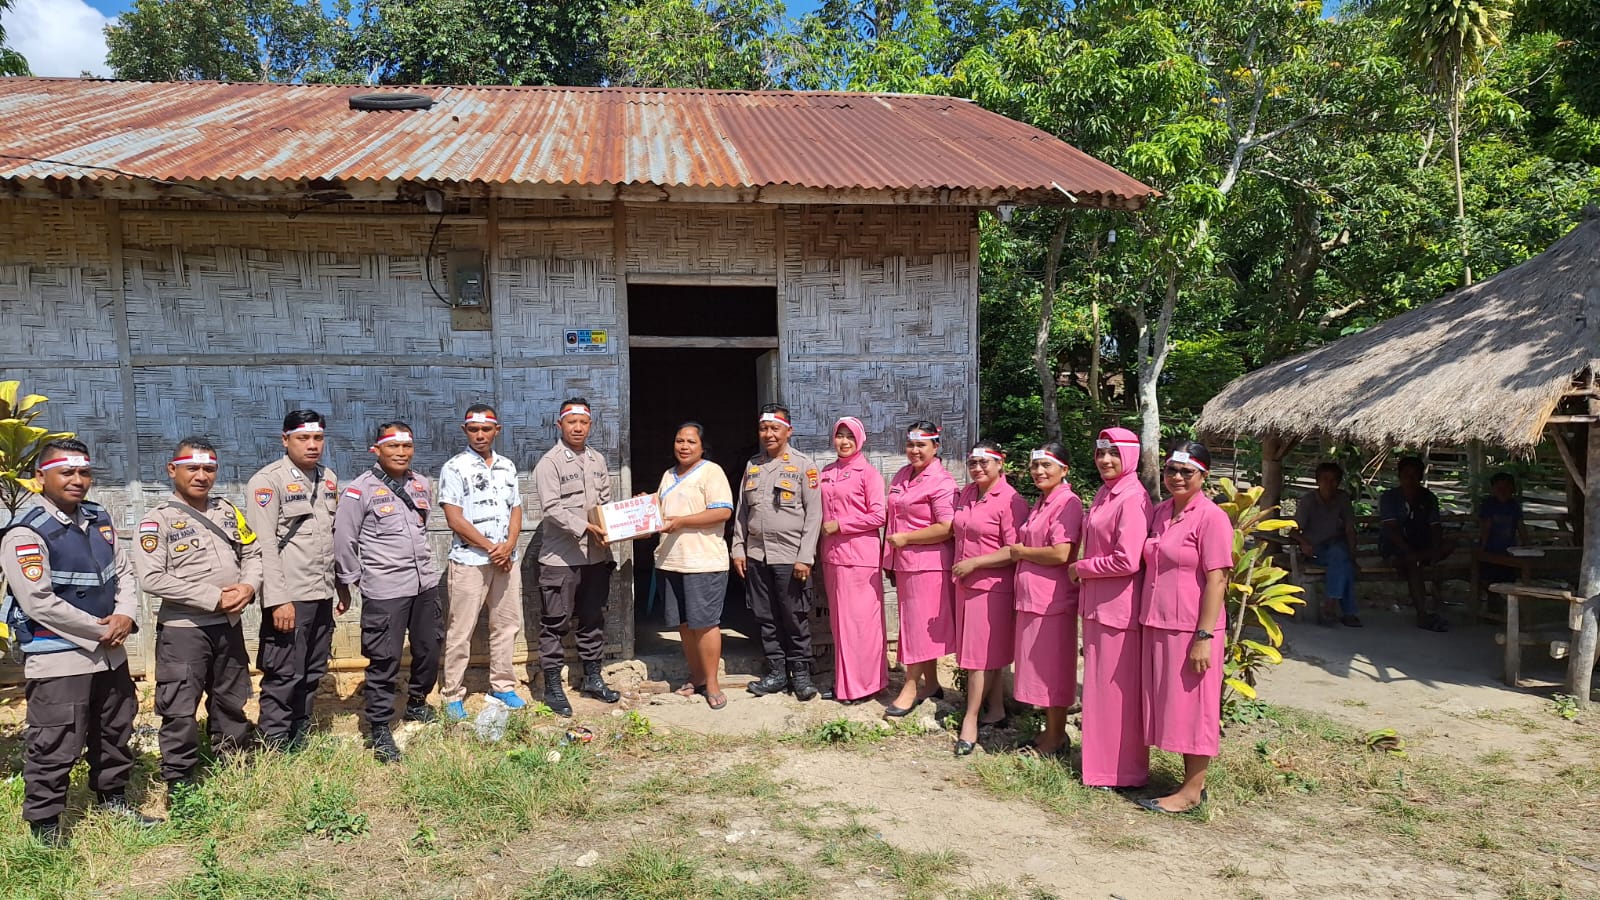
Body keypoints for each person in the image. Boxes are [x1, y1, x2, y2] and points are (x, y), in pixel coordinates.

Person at [0, 439, 158, 842]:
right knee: (55, 741)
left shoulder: (98, 518)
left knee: (114, 729)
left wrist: (125, 615)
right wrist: (101, 629)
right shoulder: (25, 533)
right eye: (65, 472)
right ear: (40, 478)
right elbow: (39, 602)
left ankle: (113, 800)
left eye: (83, 472)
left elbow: (122, 572)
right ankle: (46, 825)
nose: (77, 480)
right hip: (60, 657)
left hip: (110, 655)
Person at [134, 437, 261, 793]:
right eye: (193, 467)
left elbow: (252, 552)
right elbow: (151, 577)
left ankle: (233, 763)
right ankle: (181, 781)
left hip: (229, 626)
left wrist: (249, 587)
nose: (202, 475)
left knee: (231, 699)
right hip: (184, 631)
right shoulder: (156, 521)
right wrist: (214, 598)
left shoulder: (227, 511)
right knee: (179, 708)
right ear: (173, 470)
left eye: (209, 468)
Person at [334, 422, 443, 762]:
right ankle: (379, 726)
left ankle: (416, 703)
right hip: (385, 589)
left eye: (406, 447)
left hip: (424, 583)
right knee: (385, 659)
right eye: (393, 447)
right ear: (376, 450)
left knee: (429, 648)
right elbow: (344, 538)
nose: (400, 453)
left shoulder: (420, 484)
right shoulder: (359, 490)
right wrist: (350, 581)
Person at [1137, 442, 1234, 814]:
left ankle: (1192, 791)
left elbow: (1217, 580)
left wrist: (1204, 637)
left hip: (1192, 629)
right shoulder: (1161, 512)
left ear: (1203, 476)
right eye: (1171, 470)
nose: (1177, 477)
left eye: (1186, 472)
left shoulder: (1212, 518)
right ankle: (1184, 782)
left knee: (1195, 708)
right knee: (1173, 705)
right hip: (1158, 623)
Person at [246, 410, 343, 751]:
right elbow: (264, 547)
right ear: (285, 439)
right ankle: (274, 741)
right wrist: (277, 599)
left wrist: (340, 585)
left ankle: (298, 736)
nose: (312, 445)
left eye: (318, 438)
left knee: (313, 668)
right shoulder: (266, 482)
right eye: (303, 438)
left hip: (321, 591)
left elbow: (332, 536)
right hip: (289, 594)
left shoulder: (328, 478)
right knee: (284, 671)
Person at [1071, 427, 1153, 790]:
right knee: (1099, 690)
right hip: (1098, 606)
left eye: (1114, 454)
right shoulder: (1107, 493)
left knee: (1115, 693)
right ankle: (1100, 766)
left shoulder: (1132, 498)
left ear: (1131, 458)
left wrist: (1082, 568)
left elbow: (1128, 560)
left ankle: (1122, 772)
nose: (1105, 460)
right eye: (1101, 453)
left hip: (1118, 610)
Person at [532, 397, 620, 715]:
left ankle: (593, 679)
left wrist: (627, 519)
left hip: (595, 558)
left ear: (590, 425)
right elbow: (552, 508)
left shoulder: (597, 460)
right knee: (555, 623)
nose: (578, 427)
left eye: (583, 422)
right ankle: (553, 687)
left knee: (592, 619)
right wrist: (586, 527)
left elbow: (606, 504)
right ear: (560, 425)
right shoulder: (550, 462)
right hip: (561, 560)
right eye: (572, 422)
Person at [439, 403, 525, 719]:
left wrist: (510, 544)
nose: (479, 435)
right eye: (473, 429)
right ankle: (452, 695)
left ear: (496, 430)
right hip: (469, 560)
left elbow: (516, 508)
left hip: (506, 560)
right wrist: (492, 547)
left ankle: (502, 686)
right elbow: (454, 518)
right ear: (465, 431)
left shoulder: (507, 466)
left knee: (506, 625)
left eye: (485, 429)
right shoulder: (454, 467)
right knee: (461, 629)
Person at [731, 403, 823, 700]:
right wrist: (738, 548)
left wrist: (805, 557)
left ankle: (801, 675)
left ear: (788, 431)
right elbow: (741, 512)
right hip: (757, 556)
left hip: (790, 557)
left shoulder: (804, 466)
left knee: (794, 617)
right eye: (763, 428)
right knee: (766, 617)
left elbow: (814, 515)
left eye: (775, 428)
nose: (768, 434)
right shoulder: (752, 465)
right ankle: (776, 673)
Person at [949, 440, 1029, 756]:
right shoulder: (968, 493)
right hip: (966, 585)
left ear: (1000, 463)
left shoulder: (1011, 501)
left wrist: (976, 562)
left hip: (992, 586)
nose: (978, 468)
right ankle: (995, 709)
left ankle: (969, 720)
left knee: (978, 658)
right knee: (984, 653)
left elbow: (1014, 549)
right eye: (973, 463)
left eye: (985, 463)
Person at [1007, 441, 1083, 757]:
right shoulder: (1043, 501)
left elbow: (1062, 553)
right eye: (1035, 466)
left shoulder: (1068, 503)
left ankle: (1056, 737)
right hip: (1033, 598)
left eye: (1046, 466)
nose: (1038, 471)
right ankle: (1048, 733)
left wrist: (1022, 552)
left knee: (1053, 670)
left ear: (1064, 470)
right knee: (1040, 669)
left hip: (1052, 600)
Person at [652, 422, 734, 710]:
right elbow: (661, 515)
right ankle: (697, 676)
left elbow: (723, 511)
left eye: (690, 441)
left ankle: (712, 683)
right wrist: (645, 507)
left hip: (704, 560)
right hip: (671, 560)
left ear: (702, 446)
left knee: (706, 623)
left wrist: (683, 521)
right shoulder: (668, 475)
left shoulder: (712, 472)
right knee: (685, 624)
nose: (683, 446)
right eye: (679, 441)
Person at [882, 421, 958, 716]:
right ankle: (932, 683)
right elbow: (894, 518)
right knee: (915, 626)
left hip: (929, 566)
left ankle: (911, 686)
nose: (914, 451)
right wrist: (890, 557)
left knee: (916, 630)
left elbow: (947, 527)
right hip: (905, 563)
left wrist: (907, 539)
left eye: (921, 445)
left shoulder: (942, 482)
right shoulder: (903, 474)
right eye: (910, 445)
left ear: (936, 447)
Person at [817, 416, 888, 704]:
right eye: (839, 435)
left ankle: (865, 686)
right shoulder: (826, 471)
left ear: (860, 440)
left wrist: (841, 525)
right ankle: (845, 684)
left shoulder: (868, 474)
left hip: (859, 558)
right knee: (841, 625)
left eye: (850, 436)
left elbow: (878, 515)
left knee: (862, 625)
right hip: (833, 558)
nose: (844, 441)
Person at [1379, 456, 1456, 632]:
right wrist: (1408, 551)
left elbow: (1435, 527)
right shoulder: (1390, 498)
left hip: (1422, 546)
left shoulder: (1428, 498)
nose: (1410, 479)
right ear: (1400, 476)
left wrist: (1435, 550)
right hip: (1394, 548)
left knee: (1449, 544)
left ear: (1420, 477)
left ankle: (1419, 558)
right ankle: (1422, 615)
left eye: (1415, 475)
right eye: (1406, 475)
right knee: (1413, 564)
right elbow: (1391, 530)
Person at [1292, 462, 1361, 627]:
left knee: (1343, 559)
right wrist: (1304, 543)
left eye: (1334, 480)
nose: (1329, 484)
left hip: (1337, 547)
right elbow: (1293, 531)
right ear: (1318, 481)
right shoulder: (1308, 501)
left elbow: (1349, 529)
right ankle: (1346, 611)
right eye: (1325, 479)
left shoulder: (1342, 499)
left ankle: (1330, 604)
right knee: (1342, 560)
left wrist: (1353, 556)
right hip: (1315, 550)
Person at [1477, 472, 1528, 604]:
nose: (1502, 491)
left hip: (1510, 550)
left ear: (1512, 489)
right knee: (1489, 577)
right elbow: (1486, 527)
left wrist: (1527, 545)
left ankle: (1503, 603)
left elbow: (1520, 526)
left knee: (1508, 578)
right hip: (1490, 549)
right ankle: (1493, 603)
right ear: (1493, 489)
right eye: (1499, 488)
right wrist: (1482, 549)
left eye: (1506, 488)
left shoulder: (1514, 506)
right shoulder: (1489, 504)